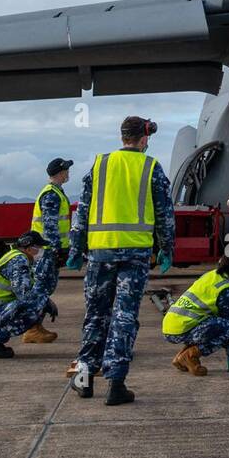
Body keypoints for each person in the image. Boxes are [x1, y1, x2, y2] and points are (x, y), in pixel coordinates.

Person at [66, 115, 175, 406]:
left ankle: (84, 380)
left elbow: (82, 212)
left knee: (95, 315)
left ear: (122, 137)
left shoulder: (100, 165)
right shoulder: (151, 167)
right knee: (124, 316)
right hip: (135, 254)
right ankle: (116, 383)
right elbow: (165, 214)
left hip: (100, 253)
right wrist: (166, 247)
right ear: (144, 139)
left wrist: (76, 248)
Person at [0, 231, 58, 357]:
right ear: (29, 248)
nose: (41, 250)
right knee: (33, 305)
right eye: (39, 247)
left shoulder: (19, 258)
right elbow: (24, 295)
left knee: (39, 301)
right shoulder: (18, 260)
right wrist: (46, 301)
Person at [162, 254, 229, 375]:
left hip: (171, 327)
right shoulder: (226, 289)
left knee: (212, 324)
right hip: (183, 328)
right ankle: (191, 356)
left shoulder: (210, 275)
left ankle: (181, 358)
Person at [29, 157, 72, 301]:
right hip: (45, 251)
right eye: (66, 170)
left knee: (45, 290)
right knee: (41, 290)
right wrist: (57, 249)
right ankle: (32, 321)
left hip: (47, 250)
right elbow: (50, 225)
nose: (68, 172)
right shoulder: (51, 195)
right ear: (60, 173)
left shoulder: (56, 192)